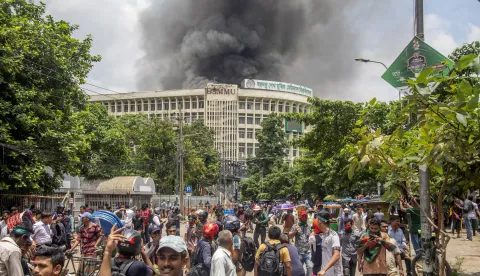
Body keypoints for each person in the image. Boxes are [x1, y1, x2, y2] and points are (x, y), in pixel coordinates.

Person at [313, 212, 342, 276]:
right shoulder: (323, 235)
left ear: (320, 221)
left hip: (334, 273)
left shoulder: (333, 235)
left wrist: (324, 269)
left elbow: (337, 255)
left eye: (317, 220)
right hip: (325, 273)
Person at [288, 210, 312, 276]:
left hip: (308, 251)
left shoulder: (309, 226)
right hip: (299, 252)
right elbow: (289, 236)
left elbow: (313, 236)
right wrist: (295, 231)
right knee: (299, 270)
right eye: (303, 216)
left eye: (305, 216)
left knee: (310, 267)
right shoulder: (295, 226)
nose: (304, 217)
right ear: (299, 217)